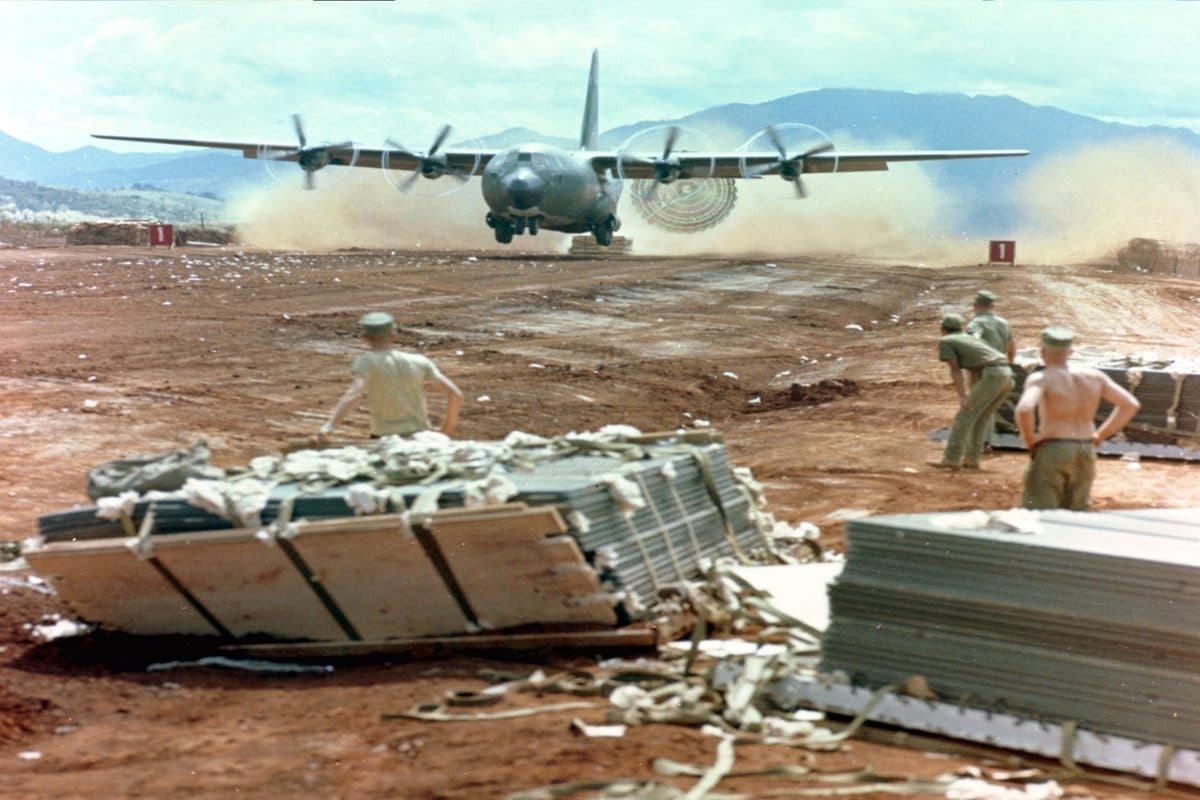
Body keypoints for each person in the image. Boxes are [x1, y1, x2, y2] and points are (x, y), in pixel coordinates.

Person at [1015, 327, 1140, 510]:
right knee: (1077, 513)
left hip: (1053, 447)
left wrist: (1029, 439)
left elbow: (1025, 408)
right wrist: (1100, 435)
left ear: (1042, 352)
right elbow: (1130, 404)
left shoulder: (1041, 378)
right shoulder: (1094, 376)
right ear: (1071, 352)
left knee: (1041, 512)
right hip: (1085, 448)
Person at [317, 311, 463, 441]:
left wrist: (330, 426)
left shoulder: (366, 362)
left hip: (386, 440)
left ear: (365, 337)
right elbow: (455, 395)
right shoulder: (419, 361)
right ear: (394, 335)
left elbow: (354, 394)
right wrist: (445, 431)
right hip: (421, 437)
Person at [932, 313, 1014, 470]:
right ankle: (972, 460)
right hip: (1007, 375)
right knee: (981, 418)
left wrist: (963, 396)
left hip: (992, 375)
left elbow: (955, 369)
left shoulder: (946, 340)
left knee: (964, 417)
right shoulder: (969, 338)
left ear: (942, 329)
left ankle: (951, 458)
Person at [966, 289, 1015, 361]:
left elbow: (974, 343)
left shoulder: (975, 323)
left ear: (975, 305)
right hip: (1003, 366)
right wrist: (1010, 363)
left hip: (984, 368)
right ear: (992, 306)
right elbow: (1011, 346)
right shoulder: (1004, 323)